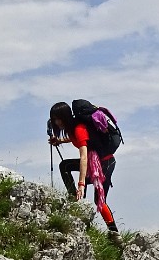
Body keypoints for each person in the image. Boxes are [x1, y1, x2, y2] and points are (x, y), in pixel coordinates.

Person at [47, 100, 119, 241]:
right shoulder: (74, 128)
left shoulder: (78, 128)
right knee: (65, 166)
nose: (56, 122)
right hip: (100, 162)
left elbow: (84, 157)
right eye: (54, 119)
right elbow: (79, 139)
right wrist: (60, 141)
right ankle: (77, 201)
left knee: (100, 200)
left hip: (105, 164)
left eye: (58, 118)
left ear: (65, 117)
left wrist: (81, 184)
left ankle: (114, 234)